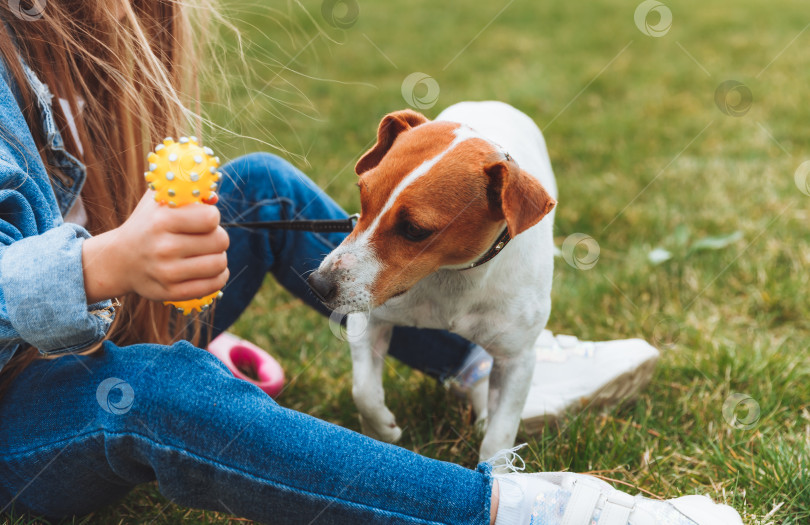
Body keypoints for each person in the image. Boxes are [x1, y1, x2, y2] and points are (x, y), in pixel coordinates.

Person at [0, 1, 743, 524]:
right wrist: (95, 269)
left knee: (259, 185)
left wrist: (146, 293)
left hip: (84, 327)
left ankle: (490, 363)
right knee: (160, 391)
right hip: (20, 412)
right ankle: (512, 507)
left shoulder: (45, 29)